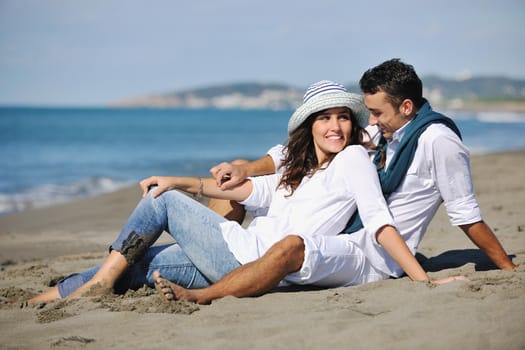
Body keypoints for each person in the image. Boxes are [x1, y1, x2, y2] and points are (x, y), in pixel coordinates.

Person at [29, 80, 446, 304]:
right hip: (235, 257)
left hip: (245, 257)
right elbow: (246, 190)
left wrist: (422, 279)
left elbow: (378, 221)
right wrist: (184, 179)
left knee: (164, 201)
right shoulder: (298, 168)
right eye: (325, 119)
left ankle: (98, 284)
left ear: (353, 125)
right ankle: (50, 296)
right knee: (140, 263)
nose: (335, 126)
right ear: (310, 126)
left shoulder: (353, 160)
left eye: (342, 117)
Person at [153, 59, 516, 305]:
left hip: (376, 254)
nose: (369, 122)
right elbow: (291, 153)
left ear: (406, 107)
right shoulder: (388, 132)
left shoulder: (437, 141)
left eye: (375, 113)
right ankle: (120, 271)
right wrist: (248, 166)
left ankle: (205, 291)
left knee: (285, 244)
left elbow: (465, 214)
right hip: (347, 238)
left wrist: (508, 269)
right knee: (166, 251)